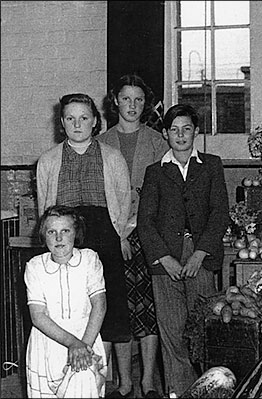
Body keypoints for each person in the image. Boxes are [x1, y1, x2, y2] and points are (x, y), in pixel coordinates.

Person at [36, 93, 133, 394]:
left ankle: (121, 381)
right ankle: (85, 377)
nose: (77, 124)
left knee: (111, 306)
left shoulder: (112, 156)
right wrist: (51, 244)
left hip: (105, 234)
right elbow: (44, 207)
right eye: (70, 118)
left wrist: (122, 236)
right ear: (62, 123)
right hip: (67, 236)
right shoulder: (48, 160)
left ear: (95, 121)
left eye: (84, 118)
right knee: (77, 307)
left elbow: (125, 200)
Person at [137, 103, 230, 397]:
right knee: (172, 331)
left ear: (196, 132)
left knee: (204, 328)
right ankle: (179, 391)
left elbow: (220, 213)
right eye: (174, 130)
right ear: (165, 134)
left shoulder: (212, 165)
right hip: (165, 258)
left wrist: (200, 253)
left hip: (201, 256)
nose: (180, 135)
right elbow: (145, 222)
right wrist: (165, 259)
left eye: (186, 129)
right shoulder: (155, 172)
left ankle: (210, 389)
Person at [97, 74, 169, 398]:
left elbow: (166, 192)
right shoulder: (101, 143)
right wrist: (118, 230)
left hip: (147, 233)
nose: (132, 106)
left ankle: (148, 382)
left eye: (138, 99)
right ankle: (125, 381)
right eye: (126, 99)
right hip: (113, 235)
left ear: (146, 103)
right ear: (115, 101)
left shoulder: (157, 142)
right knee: (120, 309)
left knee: (148, 309)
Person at [24, 205, 108, 398]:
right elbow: (38, 317)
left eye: (65, 231)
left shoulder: (89, 259)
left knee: (85, 387)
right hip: (47, 343)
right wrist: (73, 344)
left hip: (86, 336)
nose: (59, 238)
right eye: (52, 232)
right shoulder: (35, 266)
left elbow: (100, 305)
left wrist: (83, 347)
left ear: (76, 233)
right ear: (44, 236)